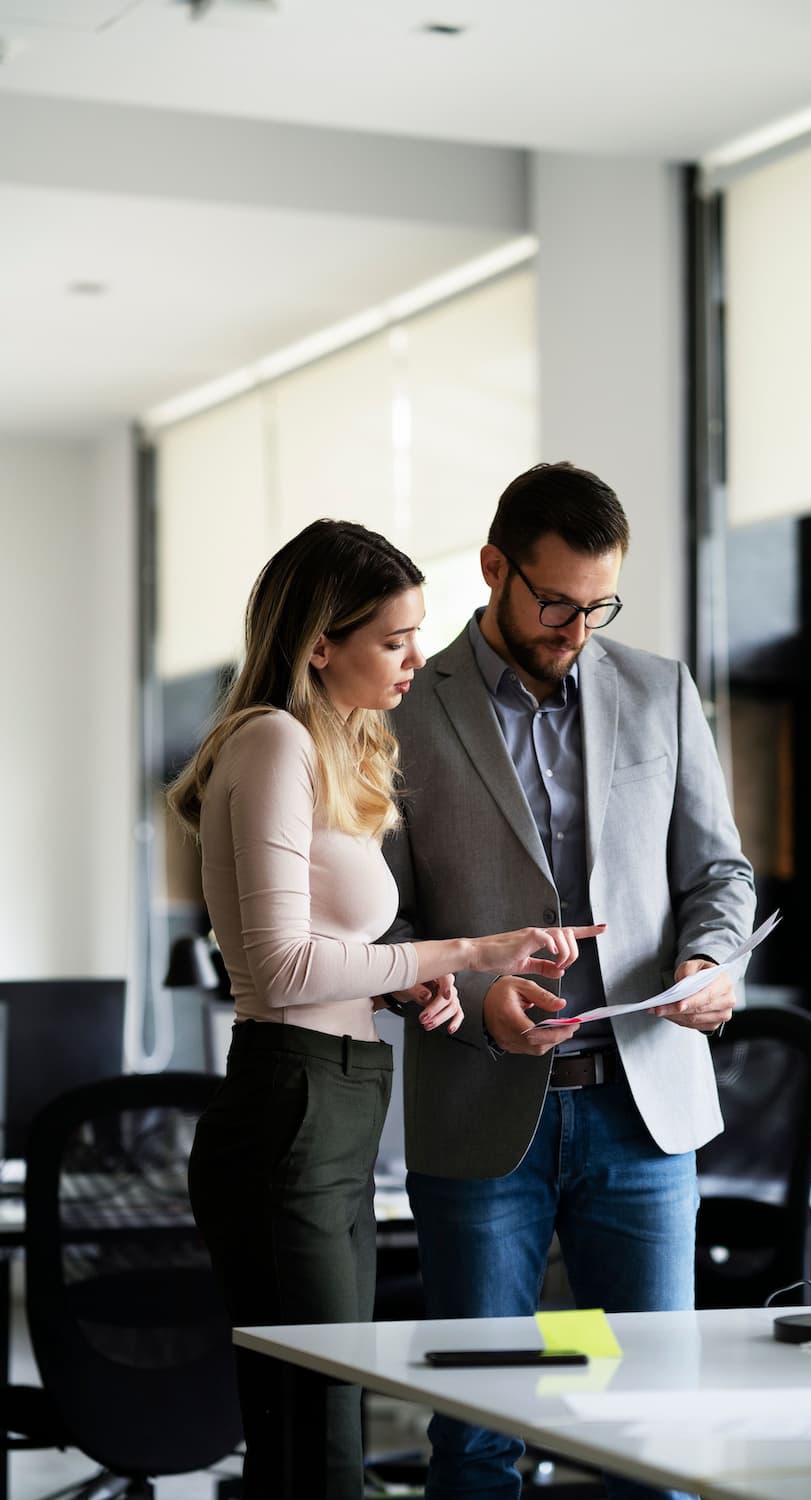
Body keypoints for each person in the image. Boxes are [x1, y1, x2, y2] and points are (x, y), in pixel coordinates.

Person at [167, 518, 601, 1500]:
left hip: (341, 1095)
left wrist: (398, 977)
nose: (415, 657)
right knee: (318, 1434)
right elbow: (277, 969)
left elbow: (324, 945)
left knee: (323, 1421)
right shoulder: (274, 741)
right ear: (319, 640)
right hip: (293, 1097)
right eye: (392, 639)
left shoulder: (332, 750)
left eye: (415, 633)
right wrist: (466, 950)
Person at [382, 462, 756, 1500]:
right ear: (494, 567)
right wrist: (469, 1005)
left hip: (642, 1111)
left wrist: (709, 961)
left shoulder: (658, 689)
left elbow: (718, 873)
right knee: (477, 1431)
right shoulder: (403, 709)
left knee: (652, 1425)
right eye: (554, 602)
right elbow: (381, 921)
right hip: (479, 1109)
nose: (576, 629)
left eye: (598, 606)